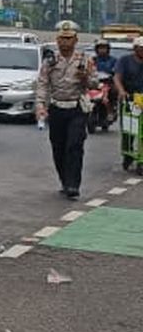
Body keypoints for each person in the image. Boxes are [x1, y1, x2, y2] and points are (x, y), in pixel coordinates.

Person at [36, 20, 99, 199]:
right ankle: (64, 180)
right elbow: (42, 84)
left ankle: (73, 184)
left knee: (74, 145)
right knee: (59, 147)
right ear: (57, 40)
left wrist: (85, 77)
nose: (65, 42)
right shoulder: (50, 61)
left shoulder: (85, 60)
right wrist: (41, 106)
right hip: (57, 107)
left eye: (69, 38)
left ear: (75, 40)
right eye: (62, 39)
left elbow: (95, 83)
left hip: (76, 108)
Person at [114, 36, 143, 168]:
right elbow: (117, 77)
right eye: (141, 48)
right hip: (129, 98)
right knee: (129, 129)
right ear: (135, 48)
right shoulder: (124, 61)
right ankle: (128, 154)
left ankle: (140, 159)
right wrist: (121, 91)